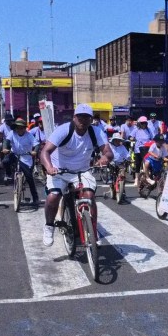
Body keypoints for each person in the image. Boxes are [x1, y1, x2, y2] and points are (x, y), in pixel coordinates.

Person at [40, 103, 113, 247]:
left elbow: (108, 152)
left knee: (90, 197)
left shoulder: (96, 132)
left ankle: (92, 230)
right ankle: (49, 226)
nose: (83, 120)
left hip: (82, 171)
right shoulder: (63, 130)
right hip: (59, 171)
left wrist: (105, 158)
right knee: (53, 196)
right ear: (74, 117)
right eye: (80, 117)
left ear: (91, 119)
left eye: (87, 117)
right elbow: (45, 152)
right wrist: (49, 167)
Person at [2, 118, 40, 203]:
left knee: (29, 178)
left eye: (22, 127)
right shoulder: (12, 133)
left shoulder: (29, 135)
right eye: (18, 127)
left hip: (26, 157)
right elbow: (6, 141)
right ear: (15, 127)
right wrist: (5, 148)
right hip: (14, 154)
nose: (20, 129)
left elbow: (37, 144)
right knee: (5, 161)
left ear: (24, 128)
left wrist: (35, 151)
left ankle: (35, 197)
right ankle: (8, 175)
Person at [130, 116, 153, 185]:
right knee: (138, 164)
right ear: (139, 123)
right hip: (138, 149)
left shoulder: (149, 130)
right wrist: (131, 138)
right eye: (142, 123)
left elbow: (153, 138)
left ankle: (148, 177)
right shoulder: (136, 130)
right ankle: (136, 179)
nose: (144, 124)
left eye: (145, 123)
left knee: (148, 163)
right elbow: (130, 136)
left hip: (147, 149)